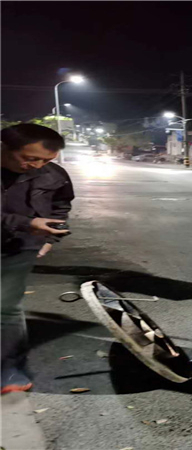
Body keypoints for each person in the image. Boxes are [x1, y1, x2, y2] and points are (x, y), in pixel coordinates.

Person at [1, 124, 74, 394]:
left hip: (19, 248)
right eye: (30, 158)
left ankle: (9, 370)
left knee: (6, 307)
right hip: (22, 233)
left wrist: (50, 237)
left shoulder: (53, 174)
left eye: (46, 160)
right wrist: (27, 223)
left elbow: (61, 205)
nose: (37, 166)